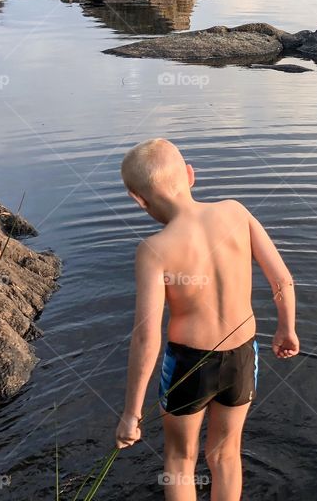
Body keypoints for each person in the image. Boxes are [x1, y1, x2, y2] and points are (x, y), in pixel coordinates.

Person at [114, 138, 299, 501]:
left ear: (138, 199)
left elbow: (146, 337)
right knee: (226, 456)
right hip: (243, 355)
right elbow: (281, 279)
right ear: (190, 175)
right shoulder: (236, 212)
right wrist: (286, 327)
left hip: (189, 365)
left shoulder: (154, 250)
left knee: (180, 461)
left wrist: (131, 413)